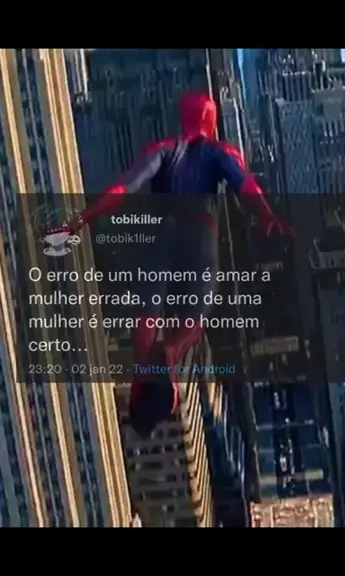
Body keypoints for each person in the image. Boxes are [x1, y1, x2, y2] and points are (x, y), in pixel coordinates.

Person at [70, 91, 293, 439]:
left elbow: (125, 186)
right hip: (200, 234)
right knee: (194, 319)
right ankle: (169, 352)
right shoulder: (219, 153)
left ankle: (146, 372)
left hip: (161, 232)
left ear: (182, 118)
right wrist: (265, 214)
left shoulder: (161, 150)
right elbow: (245, 184)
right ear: (211, 122)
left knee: (146, 312)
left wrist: (87, 214)